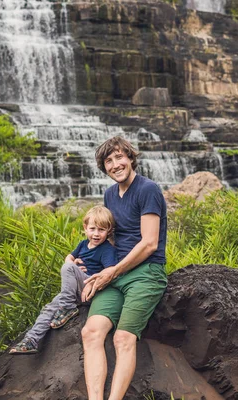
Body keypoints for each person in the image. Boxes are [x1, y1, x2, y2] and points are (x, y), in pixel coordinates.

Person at [81, 136, 168, 400]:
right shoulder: (109, 195)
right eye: (109, 161)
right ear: (104, 167)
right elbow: (107, 237)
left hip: (146, 272)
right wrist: (86, 265)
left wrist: (113, 271)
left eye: (120, 157)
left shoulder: (147, 189)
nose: (115, 164)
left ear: (130, 158)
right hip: (116, 272)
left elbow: (150, 243)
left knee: (122, 339)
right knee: (91, 332)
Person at [9, 205, 118, 355]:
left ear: (109, 230)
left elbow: (109, 271)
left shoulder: (106, 249)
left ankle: (67, 307)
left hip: (91, 288)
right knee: (49, 308)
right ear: (85, 228)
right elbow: (69, 257)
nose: (96, 234)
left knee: (68, 268)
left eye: (101, 230)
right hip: (76, 288)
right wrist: (72, 263)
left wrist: (75, 270)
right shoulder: (82, 244)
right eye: (92, 229)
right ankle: (31, 340)